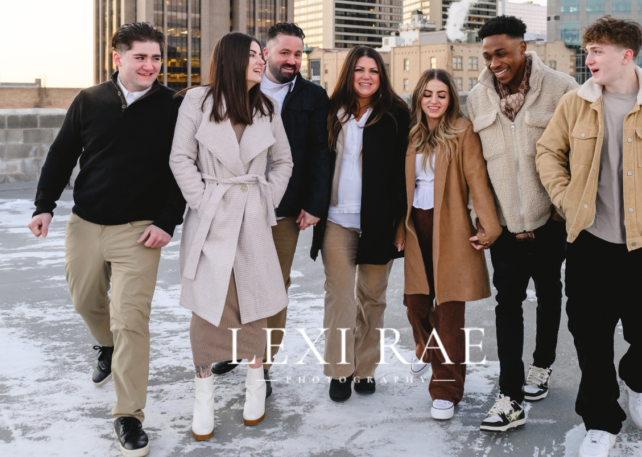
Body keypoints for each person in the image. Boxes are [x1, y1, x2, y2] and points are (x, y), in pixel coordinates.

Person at [536, 16, 642, 457]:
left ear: (626, 55)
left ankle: (639, 380)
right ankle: (600, 422)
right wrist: (568, 199)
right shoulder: (576, 104)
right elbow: (549, 152)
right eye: (587, 50)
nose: (588, 58)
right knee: (590, 339)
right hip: (590, 243)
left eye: (598, 51)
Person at [29, 22, 186, 457]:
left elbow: (182, 170)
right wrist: (44, 205)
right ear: (117, 58)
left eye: (156, 57)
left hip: (141, 232)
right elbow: (62, 154)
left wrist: (167, 222)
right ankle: (106, 346)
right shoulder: (90, 100)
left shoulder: (174, 105)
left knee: (131, 320)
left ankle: (128, 416)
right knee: (85, 301)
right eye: (141, 57)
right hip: (85, 223)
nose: (150, 65)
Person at [169, 32, 293, 441]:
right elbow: (180, 158)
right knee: (210, 306)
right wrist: (205, 201)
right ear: (234, 59)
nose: (262, 61)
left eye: (262, 55)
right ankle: (203, 394)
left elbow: (283, 161)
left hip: (253, 216)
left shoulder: (267, 106)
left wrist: (265, 199)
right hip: (213, 216)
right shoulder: (197, 102)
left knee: (254, 304)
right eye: (255, 55)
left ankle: (255, 384)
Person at [464, 15, 579, 432]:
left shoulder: (563, 89)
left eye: (502, 53)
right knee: (507, 305)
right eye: (488, 55)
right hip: (505, 228)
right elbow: (473, 167)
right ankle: (509, 396)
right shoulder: (477, 98)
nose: (495, 62)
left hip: (551, 222)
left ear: (523, 47)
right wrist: (483, 219)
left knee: (550, 295)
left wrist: (565, 211)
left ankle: (542, 365)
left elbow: (580, 156)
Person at [209, 23, 331, 395]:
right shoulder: (239, 90)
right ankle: (235, 347)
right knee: (232, 285)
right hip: (233, 208)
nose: (292, 60)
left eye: (298, 54)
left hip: (283, 211)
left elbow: (320, 154)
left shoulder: (314, 96)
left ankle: (262, 363)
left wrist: (313, 204)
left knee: (274, 287)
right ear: (265, 53)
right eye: (284, 53)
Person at [393, 69, 502, 421]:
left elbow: (477, 178)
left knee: (450, 315)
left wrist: (488, 224)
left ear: (450, 98)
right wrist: (399, 227)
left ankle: (446, 389)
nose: (434, 101)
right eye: (427, 94)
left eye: (441, 94)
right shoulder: (410, 133)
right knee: (416, 303)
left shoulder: (462, 130)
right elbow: (401, 189)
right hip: (416, 227)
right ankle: (425, 346)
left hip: (451, 226)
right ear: (418, 98)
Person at [310, 45, 409, 402]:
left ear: (381, 77)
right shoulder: (330, 111)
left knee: (372, 298)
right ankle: (340, 370)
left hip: (380, 223)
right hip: (337, 221)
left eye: (374, 71)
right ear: (349, 73)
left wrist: (401, 226)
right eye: (359, 70)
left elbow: (403, 176)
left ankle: (365, 368)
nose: (366, 76)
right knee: (340, 298)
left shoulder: (396, 114)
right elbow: (315, 161)